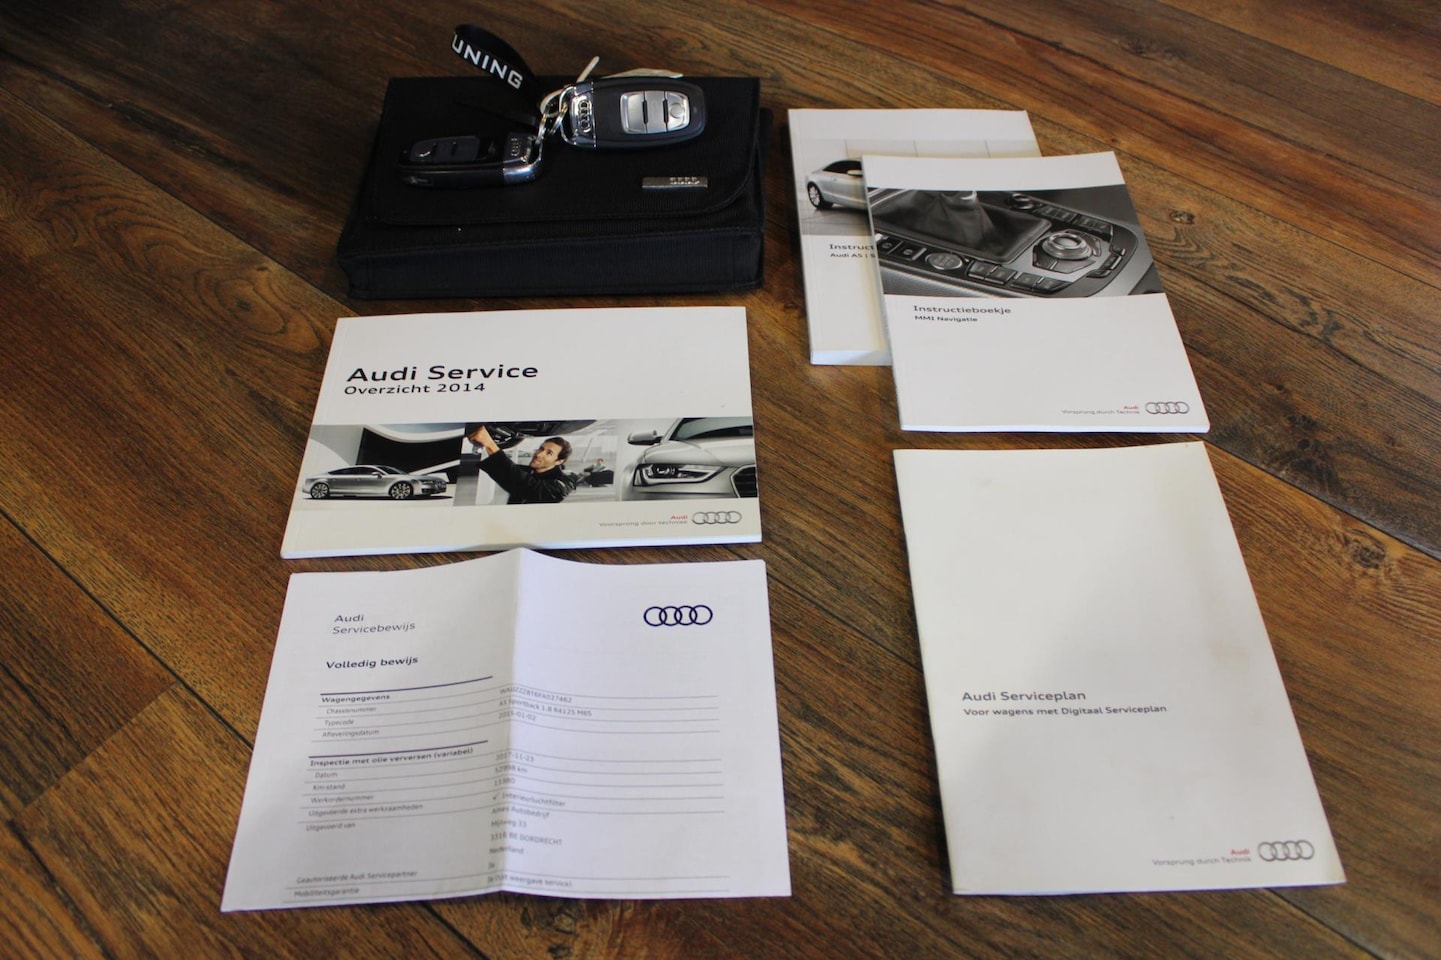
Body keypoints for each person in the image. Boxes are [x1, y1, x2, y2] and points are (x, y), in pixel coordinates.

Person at [466, 425, 576, 504]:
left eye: (549, 453)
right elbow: (508, 473)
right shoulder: (527, 472)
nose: (539, 454)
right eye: (541, 448)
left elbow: (529, 487)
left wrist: (490, 444)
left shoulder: (565, 483)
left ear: (559, 461)